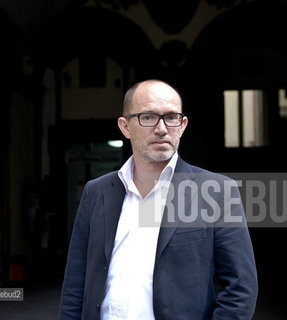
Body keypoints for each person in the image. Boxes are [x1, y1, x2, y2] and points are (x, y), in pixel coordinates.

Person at [59, 79, 258, 320]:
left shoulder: (216, 191)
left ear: (182, 125)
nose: (162, 128)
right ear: (125, 127)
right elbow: (75, 284)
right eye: (149, 117)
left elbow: (241, 288)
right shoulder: (96, 192)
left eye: (171, 117)